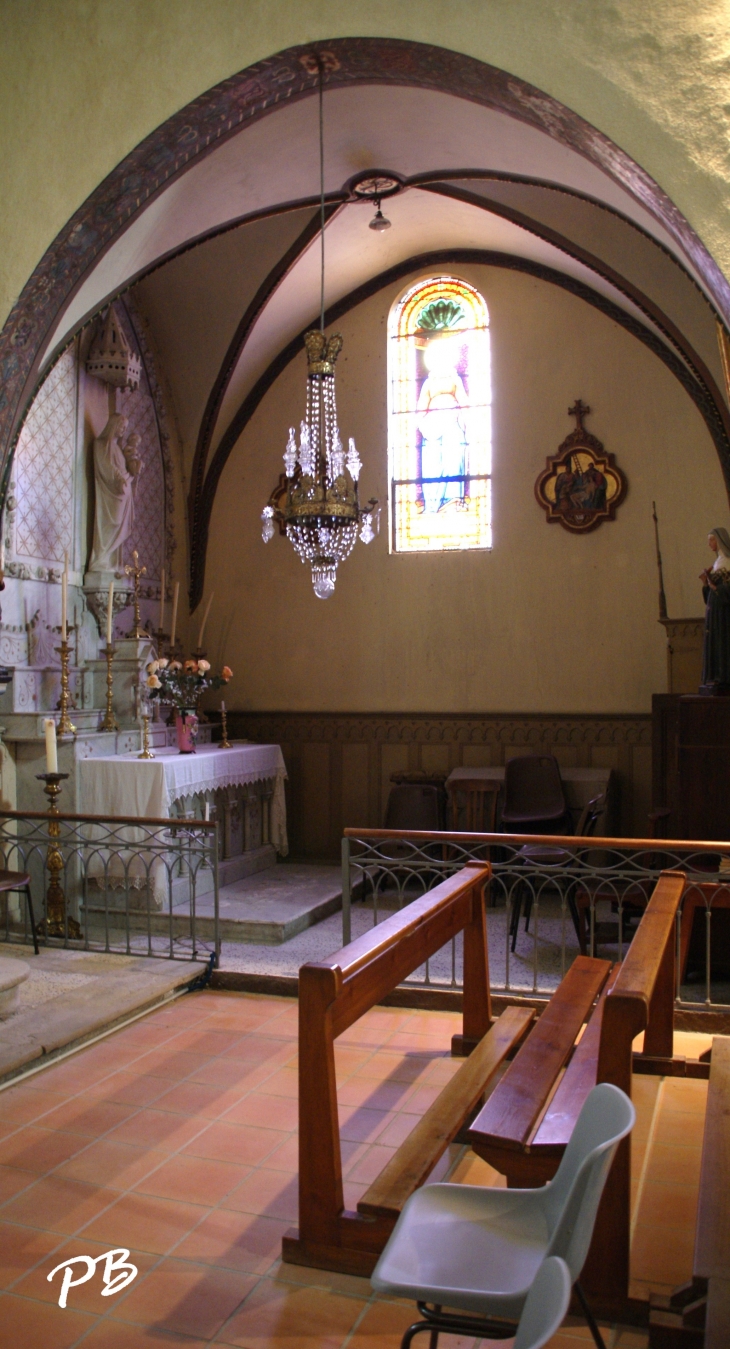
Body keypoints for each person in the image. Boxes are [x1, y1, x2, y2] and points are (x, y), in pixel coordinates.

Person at [416, 335, 469, 513]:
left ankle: (451, 499)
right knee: (432, 462)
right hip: (432, 426)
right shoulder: (429, 383)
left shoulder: (455, 379)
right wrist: (422, 424)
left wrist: (467, 421)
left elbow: (464, 401)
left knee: (453, 456)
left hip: (452, 423)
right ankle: (432, 503)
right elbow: (421, 406)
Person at [88, 412, 142, 573]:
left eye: (125, 428)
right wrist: (119, 479)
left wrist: (134, 470)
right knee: (111, 524)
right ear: (113, 425)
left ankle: (110, 561)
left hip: (122, 495)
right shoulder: (100, 444)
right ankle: (100, 560)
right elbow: (105, 467)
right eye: (120, 426)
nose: (123, 430)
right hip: (110, 496)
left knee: (119, 524)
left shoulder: (119, 450)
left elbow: (127, 470)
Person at [700, 526, 730, 691]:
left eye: (711, 539)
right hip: (714, 609)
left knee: (722, 641)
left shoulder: (728, 561)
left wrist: (716, 587)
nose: (709, 543)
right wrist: (706, 584)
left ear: (720, 540)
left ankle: (723, 676)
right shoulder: (717, 562)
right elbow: (710, 590)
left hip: (724, 612)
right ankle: (714, 676)